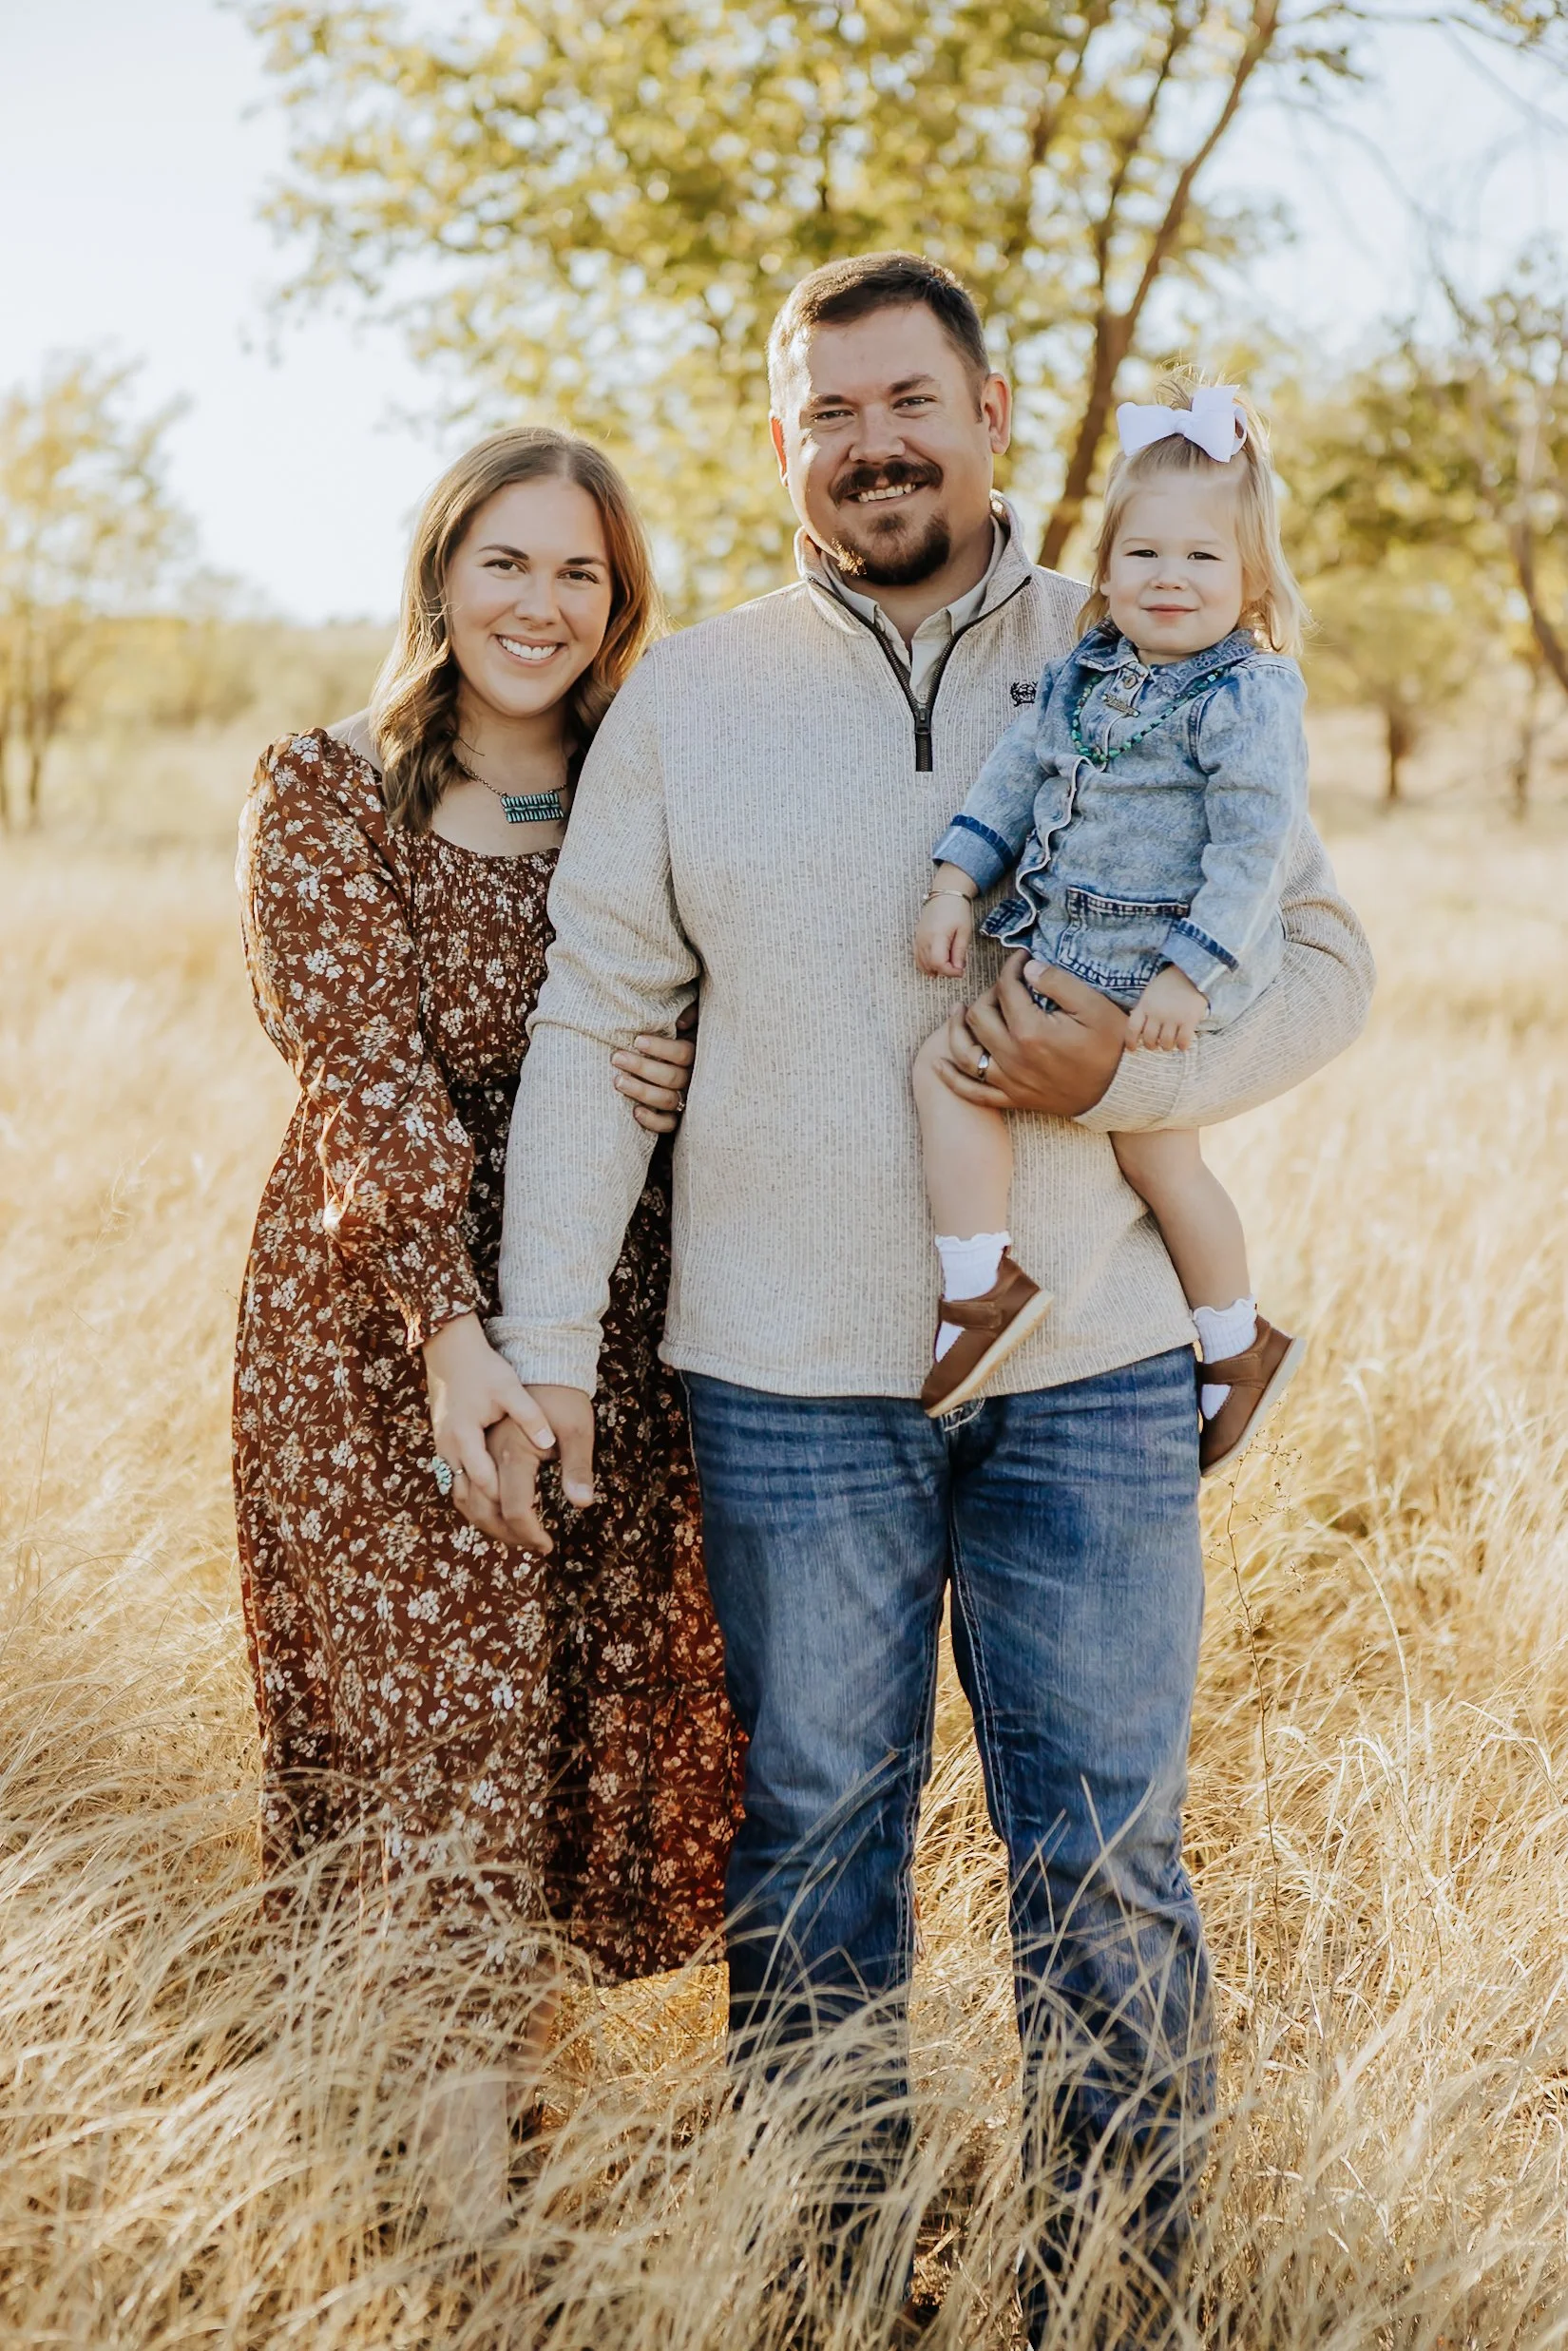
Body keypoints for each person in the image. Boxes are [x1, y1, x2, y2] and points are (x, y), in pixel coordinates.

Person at [453, 255, 1373, 2340]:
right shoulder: (688, 699)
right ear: (784, 441)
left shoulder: (1141, 625)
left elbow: (1324, 960)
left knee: (1108, 1866)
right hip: (785, 1383)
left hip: (1091, 1368)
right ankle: (824, 2282)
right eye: (829, 410)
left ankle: (1120, 2296)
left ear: (987, 411)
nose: (871, 442)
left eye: (910, 401)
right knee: (809, 1862)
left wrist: (1128, 1068)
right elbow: (606, 1018)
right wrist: (534, 1340)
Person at [231, 425, 742, 2236]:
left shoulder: (649, 776)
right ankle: (448, 2228)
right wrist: (451, 1333)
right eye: (506, 562)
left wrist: (695, 1065)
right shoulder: (331, 785)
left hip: (606, 1305)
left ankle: (515, 2155)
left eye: (580, 572)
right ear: (442, 571)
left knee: (565, 1738)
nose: (540, 604)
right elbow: (365, 1077)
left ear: (623, 600)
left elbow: (755, 974)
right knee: (431, 1742)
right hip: (385, 1321)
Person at [910, 378, 1308, 1469]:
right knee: (1103, 1134)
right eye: (1143, 556)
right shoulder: (1082, 672)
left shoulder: (1249, 696)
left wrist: (1192, 972)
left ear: (1253, 578)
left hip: (1152, 973)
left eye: (1202, 559)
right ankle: (1217, 1337)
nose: (1169, 579)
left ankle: (1008, 1288)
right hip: (1071, 947)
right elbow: (1009, 780)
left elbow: (1253, 849)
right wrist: (955, 879)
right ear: (1106, 569)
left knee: (1009, 1093)